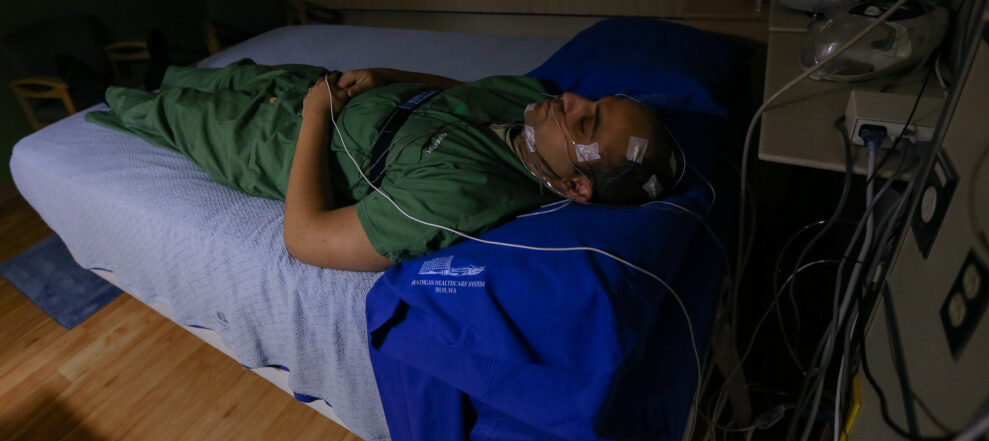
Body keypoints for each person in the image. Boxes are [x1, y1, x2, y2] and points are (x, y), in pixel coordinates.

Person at [86, 60, 675, 272]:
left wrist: (316, 116)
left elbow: (306, 239)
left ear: (574, 185)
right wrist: (389, 77)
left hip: (280, 140)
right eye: (594, 103)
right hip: (323, 88)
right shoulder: (532, 108)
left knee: (175, 113)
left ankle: (102, 88)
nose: (571, 100)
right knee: (224, 75)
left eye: (586, 124)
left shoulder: (464, 194)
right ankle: (158, 68)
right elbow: (460, 91)